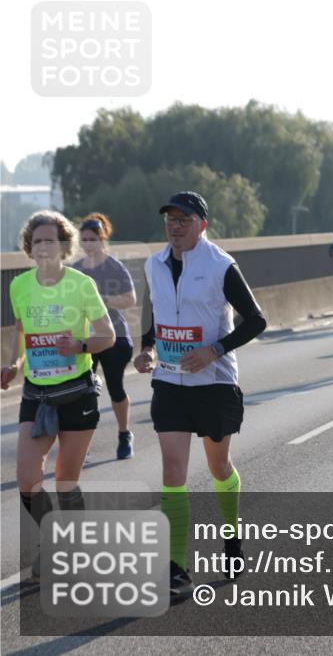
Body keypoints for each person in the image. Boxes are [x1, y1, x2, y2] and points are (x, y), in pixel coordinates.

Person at [134, 191, 267, 594]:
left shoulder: (220, 265)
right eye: (170, 220)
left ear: (202, 225)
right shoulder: (154, 264)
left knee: (218, 468)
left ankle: (231, 534)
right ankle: (177, 566)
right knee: (173, 472)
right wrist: (147, 349)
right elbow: (153, 313)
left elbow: (256, 320)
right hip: (170, 383)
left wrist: (214, 350)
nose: (175, 226)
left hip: (213, 383)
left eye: (183, 220)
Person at [3, 211, 116, 576]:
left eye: (51, 240)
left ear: (64, 246)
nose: (44, 247)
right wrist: (14, 364)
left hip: (76, 394)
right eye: (37, 241)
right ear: (29, 248)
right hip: (36, 395)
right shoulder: (19, 286)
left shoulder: (81, 284)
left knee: (67, 480)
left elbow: (108, 336)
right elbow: (21, 335)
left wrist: (81, 344)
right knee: (27, 478)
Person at [73, 213, 137, 460]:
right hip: (86, 339)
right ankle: (82, 445)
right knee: (84, 392)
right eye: (85, 240)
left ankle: (124, 434)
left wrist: (102, 302)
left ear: (103, 240)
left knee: (115, 387)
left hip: (115, 337)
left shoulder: (114, 267)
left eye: (93, 239)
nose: (89, 244)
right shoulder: (76, 270)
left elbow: (130, 299)